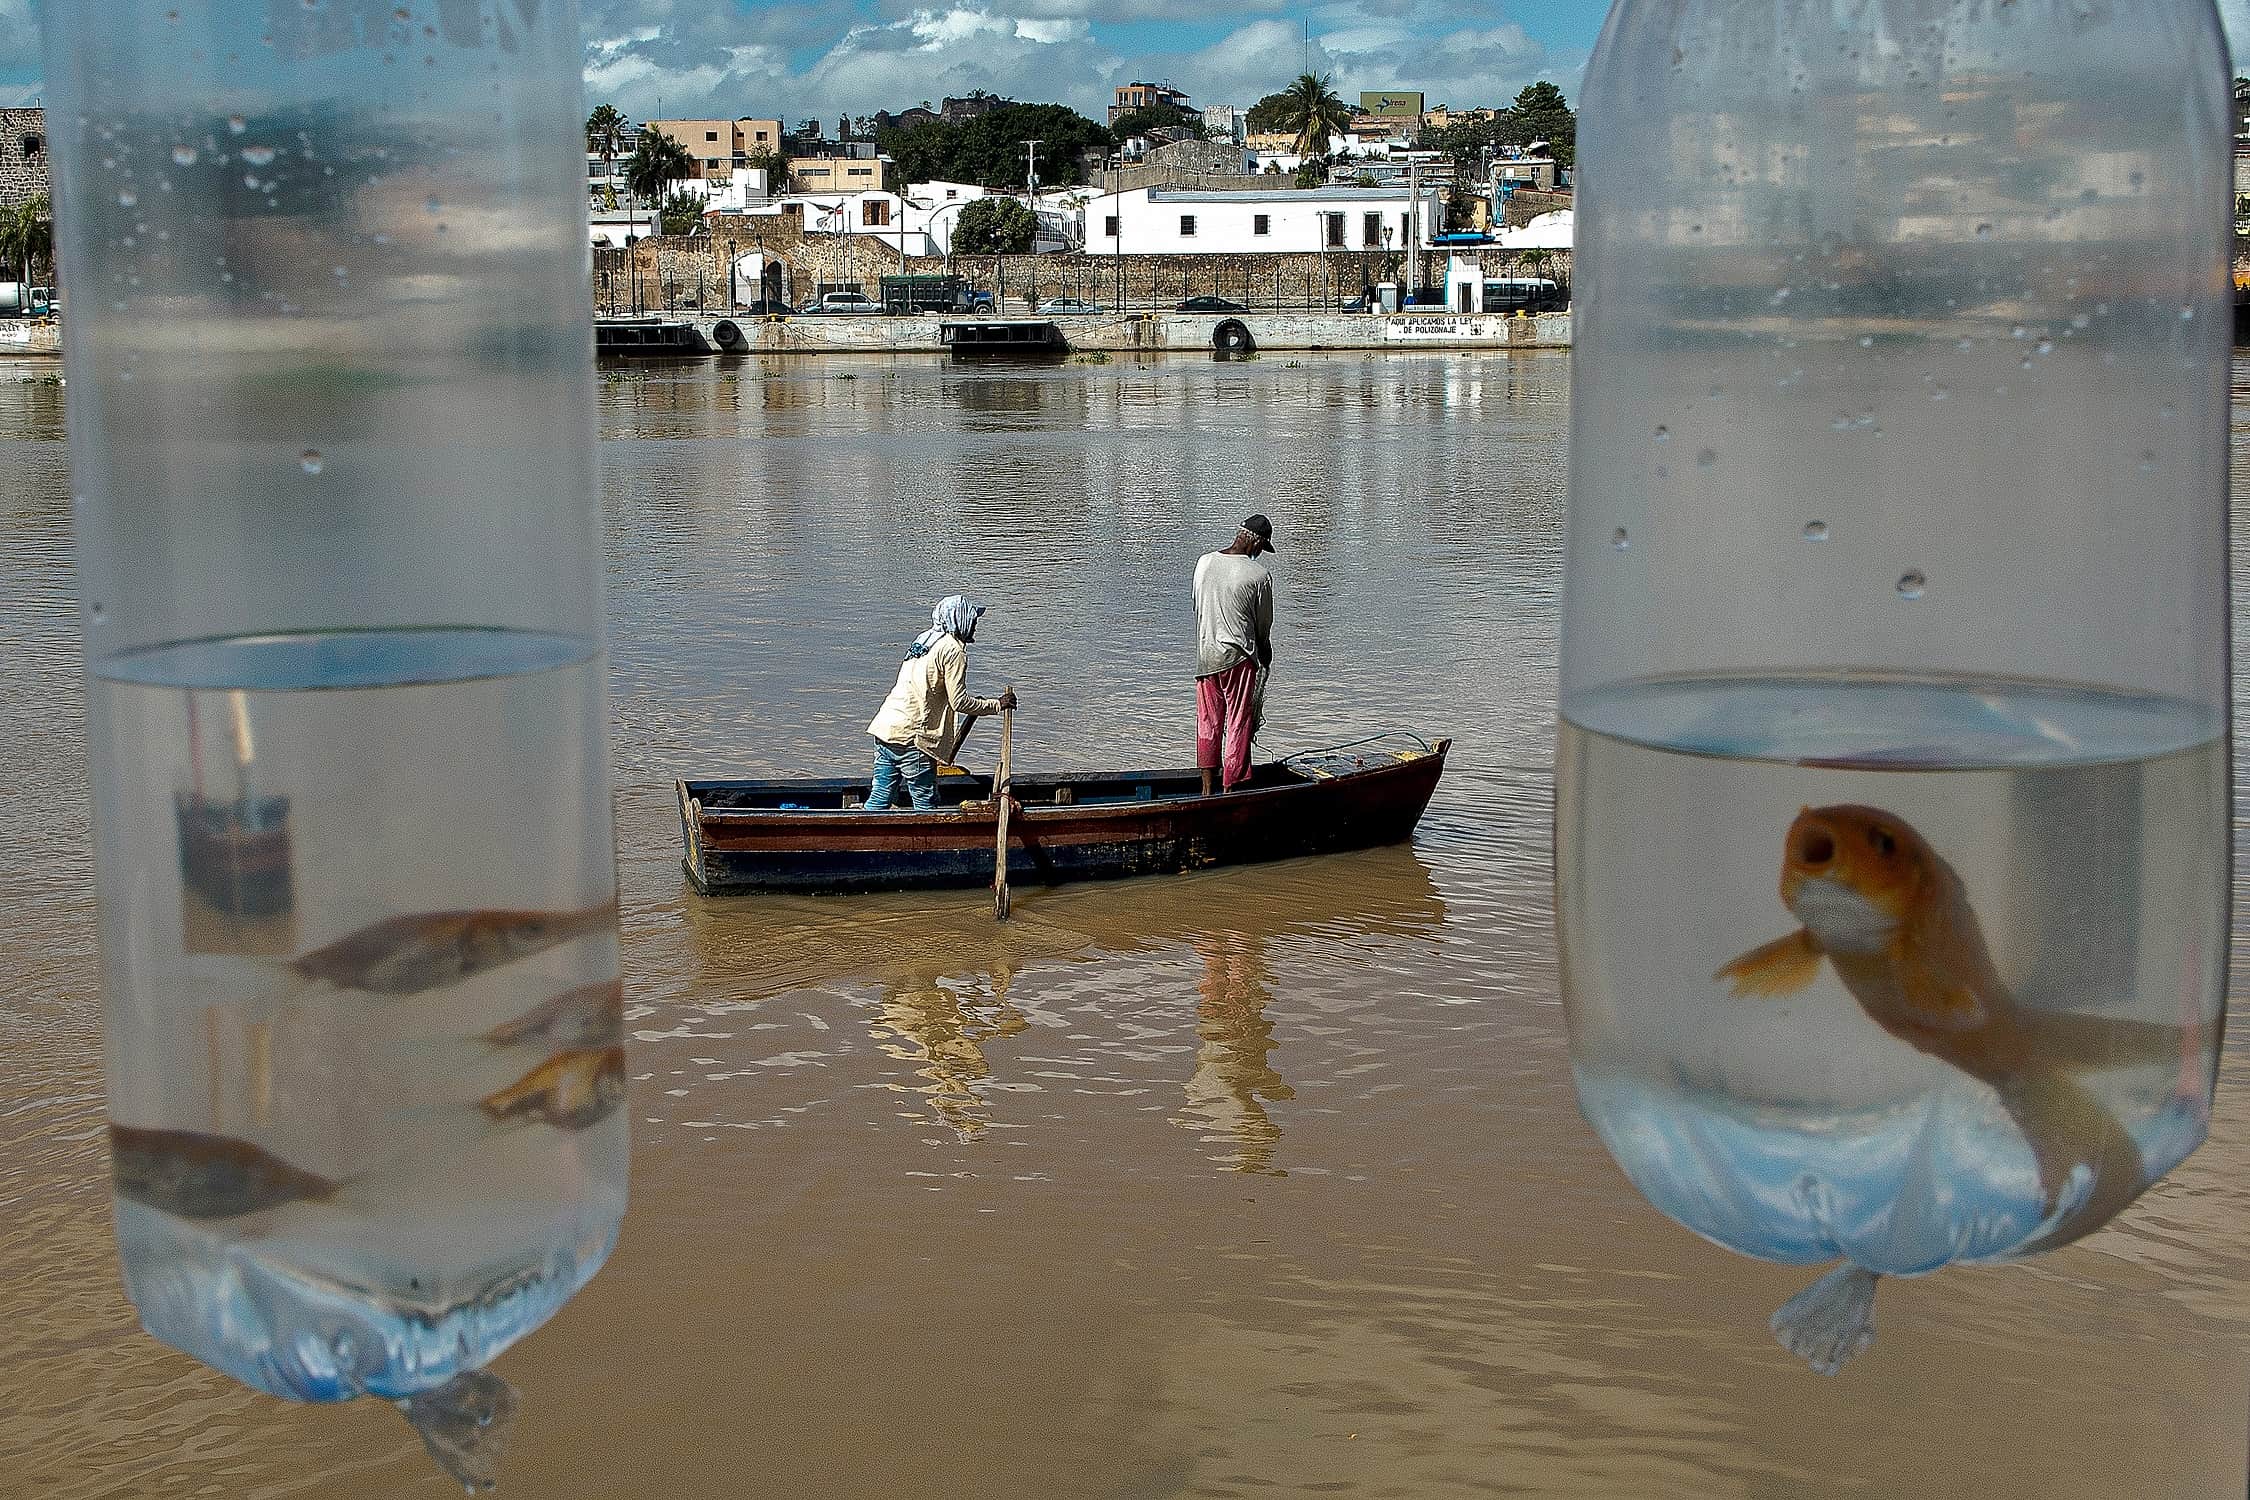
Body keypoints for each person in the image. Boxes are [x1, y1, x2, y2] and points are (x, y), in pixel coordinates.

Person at [865, 594, 1016, 810]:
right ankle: (931, 842)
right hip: (913, 738)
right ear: (959, 620)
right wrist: (997, 704)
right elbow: (959, 702)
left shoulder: (924, 639)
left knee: (880, 796)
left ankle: (865, 839)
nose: (974, 626)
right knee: (925, 803)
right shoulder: (954, 650)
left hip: (886, 728)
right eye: (972, 621)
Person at [1194, 515, 1275, 796]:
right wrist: (1265, 653)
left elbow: (1199, 607)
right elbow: (1263, 625)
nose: (1259, 554)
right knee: (1239, 721)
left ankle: (1206, 790)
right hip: (1239, 659)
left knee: (1208, 722)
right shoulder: (1259, 576)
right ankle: (1230, 790)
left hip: (1206, 657)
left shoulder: (1204, 562)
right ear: (1256, 542)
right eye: (1262, 548)